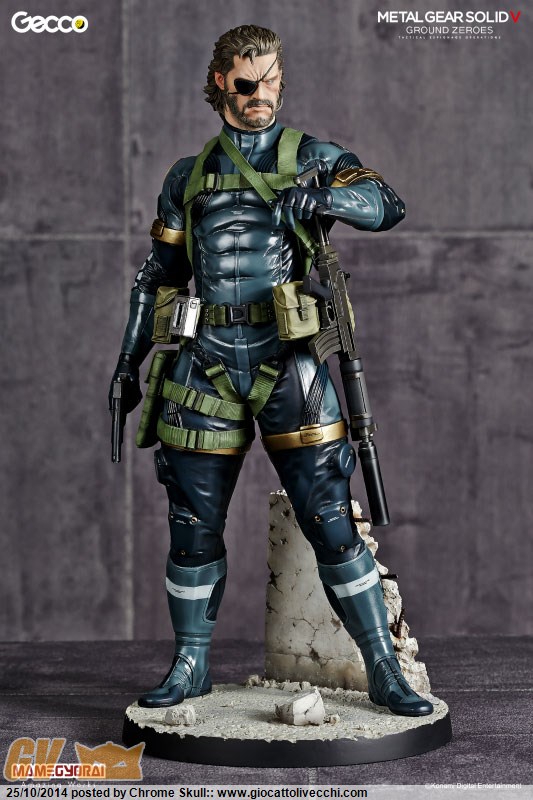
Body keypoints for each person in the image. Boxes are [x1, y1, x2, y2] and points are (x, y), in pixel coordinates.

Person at [109, 24, 432, 717]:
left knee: (329, 519)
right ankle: (190, 663)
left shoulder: (311, 157)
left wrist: (326, 198)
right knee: (191, 522)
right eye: (246, 83)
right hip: (203, 365)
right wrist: (127, 362)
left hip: (289, 362)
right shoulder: (187, 175)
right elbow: (157, 275)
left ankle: (382, 666)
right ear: (219, 83)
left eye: (271, 82)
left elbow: (387, 204)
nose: (261, 95)